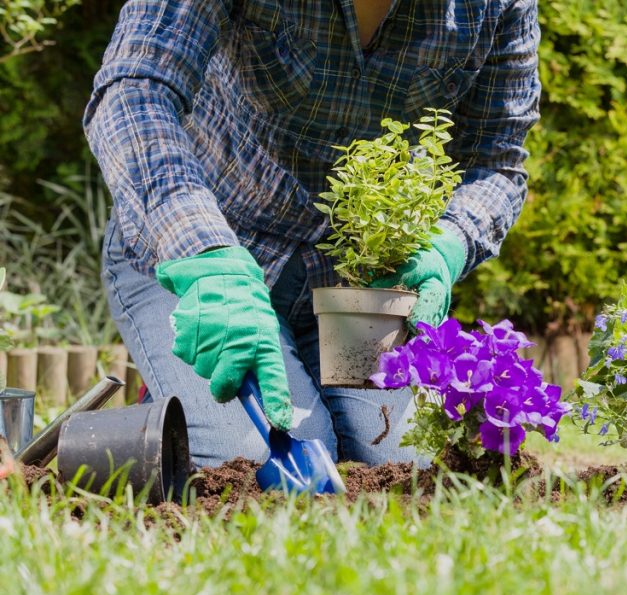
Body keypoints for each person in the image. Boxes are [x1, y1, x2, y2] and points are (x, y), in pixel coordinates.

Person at [83, 0, 540, 468]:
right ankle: (172, 397)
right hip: (203, 257)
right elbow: (135, 90)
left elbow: (497, 159)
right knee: (259, 460)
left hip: (357, 288)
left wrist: (451, 242)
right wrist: (205, 252)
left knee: (407, 461)